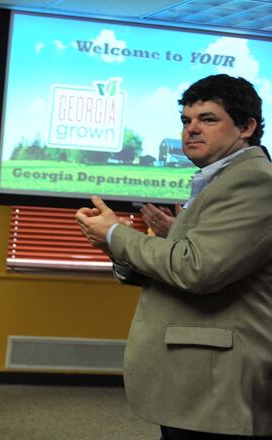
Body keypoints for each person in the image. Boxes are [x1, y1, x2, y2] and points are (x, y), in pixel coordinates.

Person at [75, 74, 272, 439]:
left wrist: (117, 234)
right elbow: (196, 258)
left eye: (208, 119)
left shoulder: (255, 181)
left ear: (246, 127)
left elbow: (196, 268)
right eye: (186, 121)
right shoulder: (217, 179)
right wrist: (122, 243)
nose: (192, 130)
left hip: (216, 382)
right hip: (196, 378)